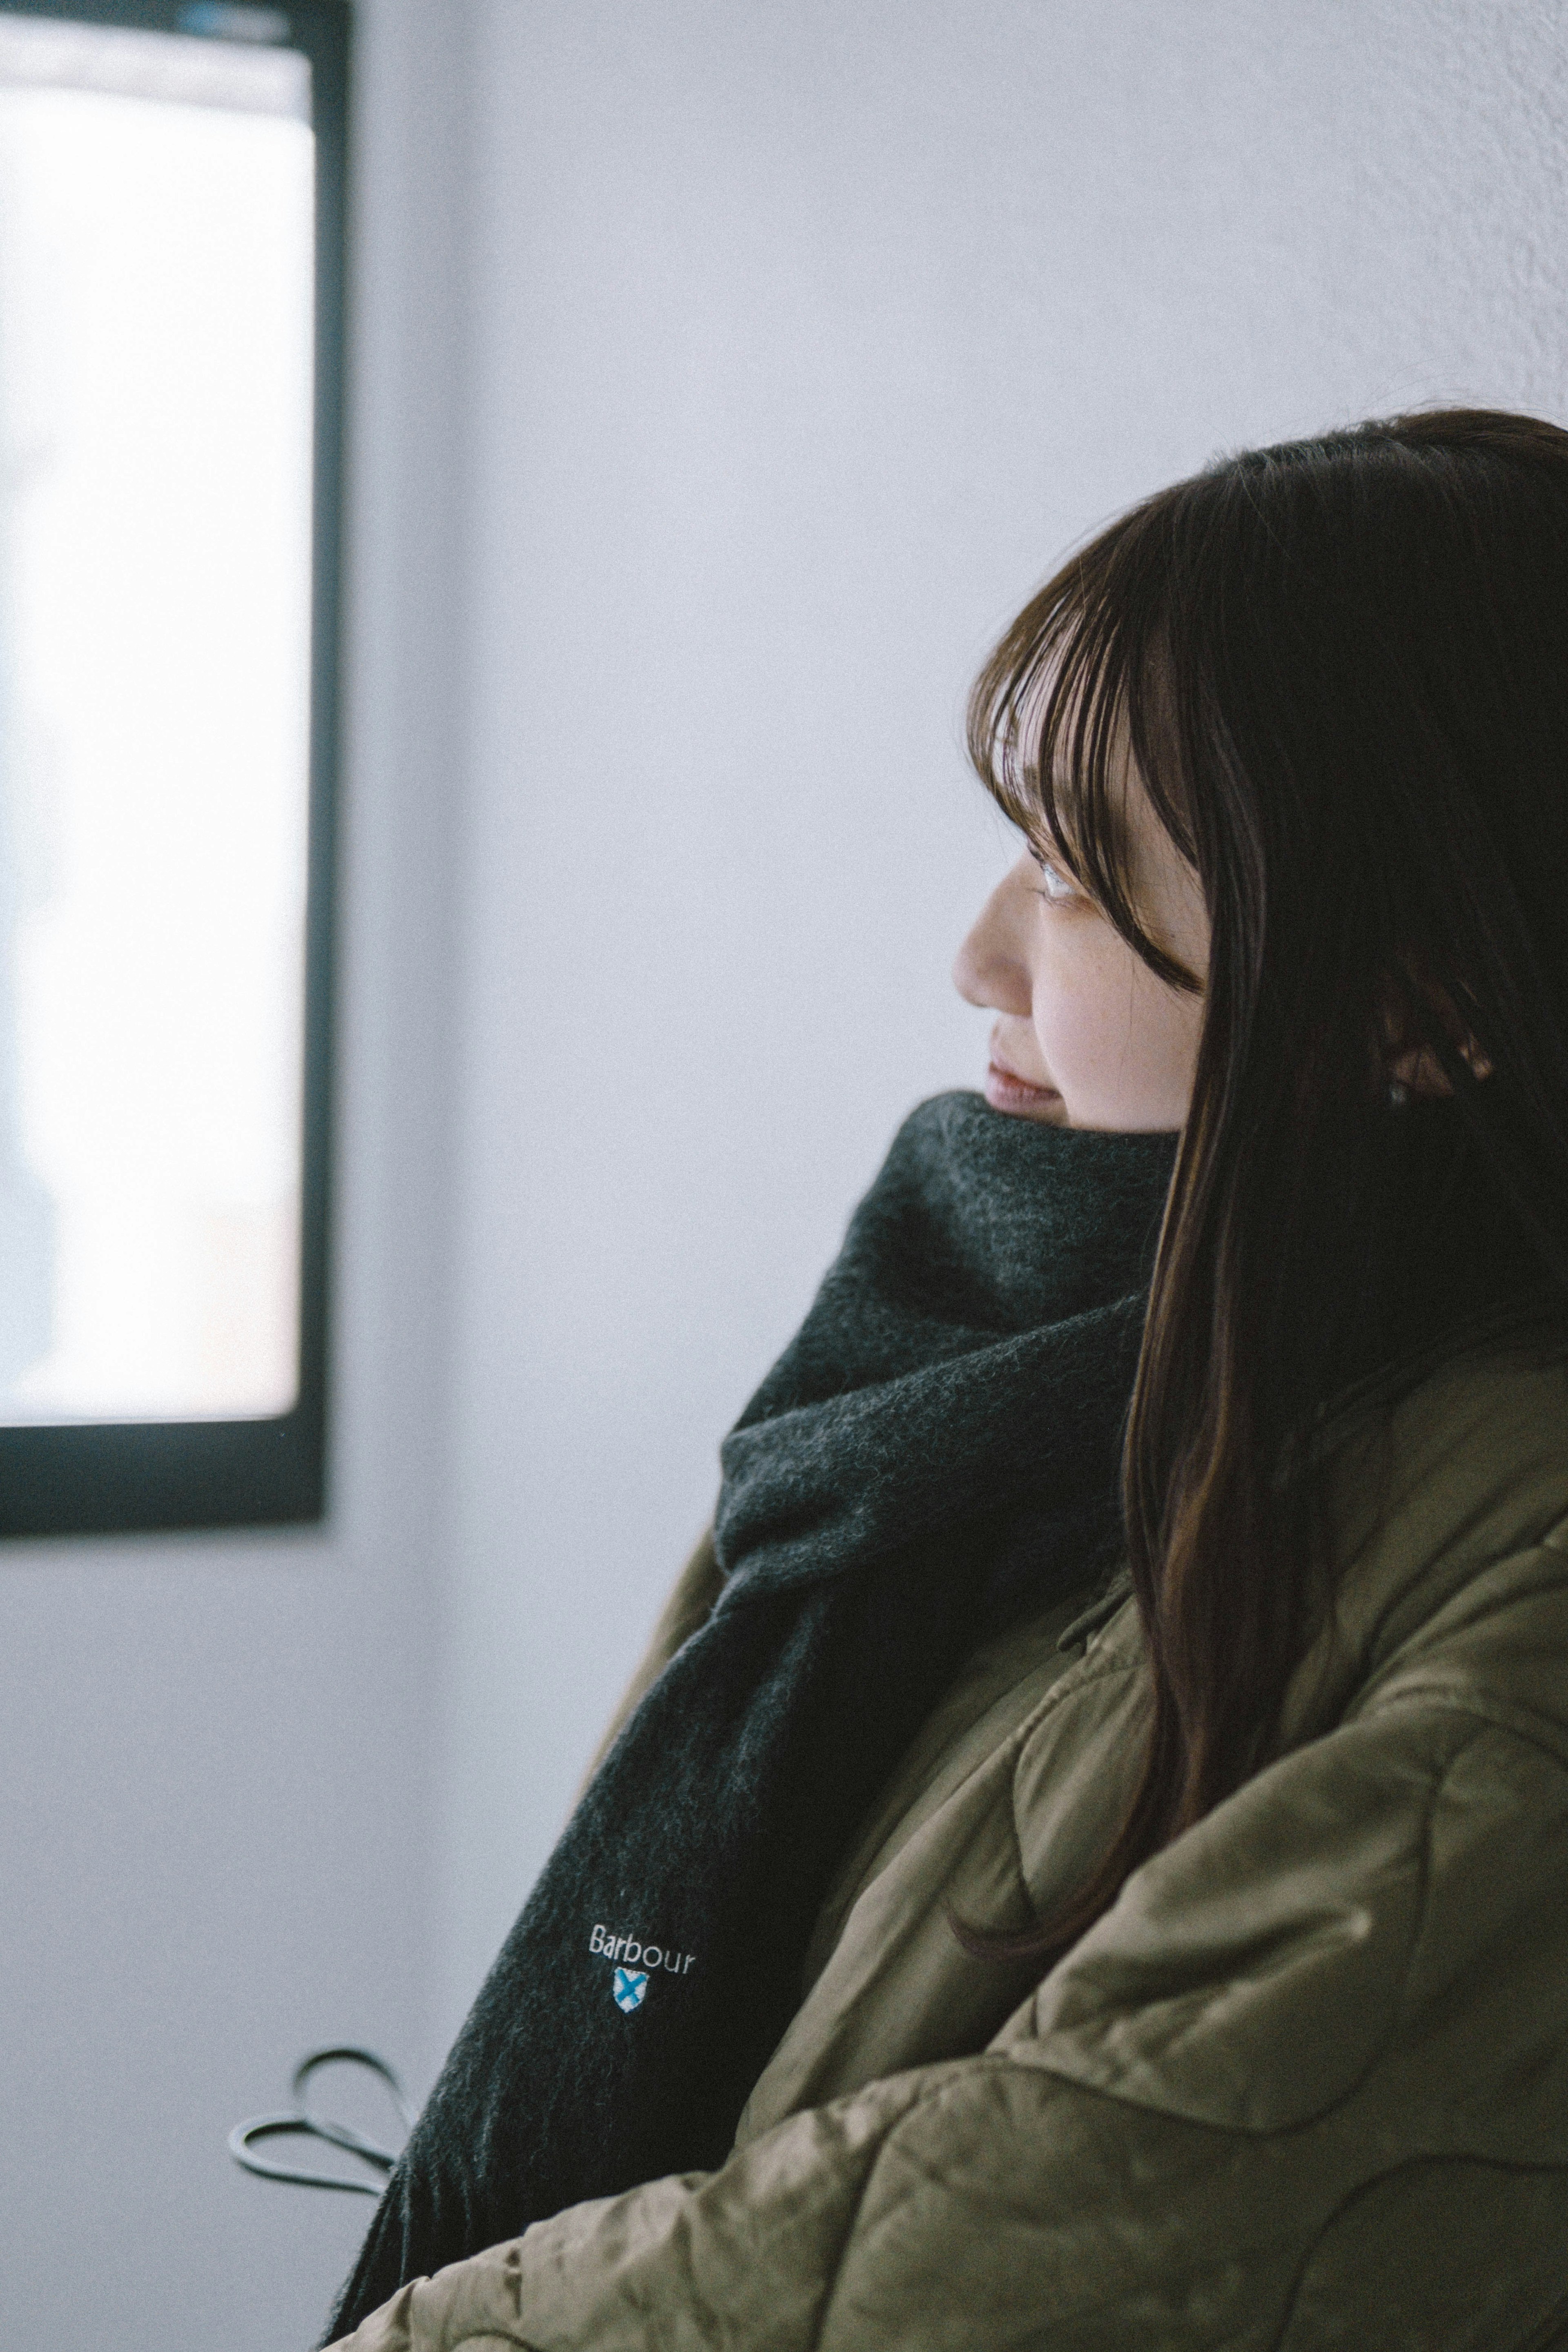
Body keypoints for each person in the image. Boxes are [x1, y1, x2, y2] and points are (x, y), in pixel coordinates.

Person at [324, 409, 1568, 2350]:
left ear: (1417, 998)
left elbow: (1076, 2203)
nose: (976, 952)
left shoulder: (1515, 1537)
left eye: (1076, 875)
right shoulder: (981, 1358)